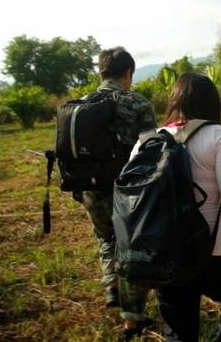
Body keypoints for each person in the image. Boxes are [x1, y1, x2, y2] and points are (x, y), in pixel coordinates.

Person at [130, 72, 221, 341]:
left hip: (164, 253)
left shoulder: (145, 142)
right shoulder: (218, 136)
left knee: (179, 331)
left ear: (174, 101)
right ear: (211, 103)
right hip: (213, 249)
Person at [80, 47, 155, 337]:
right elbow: (151, 150)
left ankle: (111, 282)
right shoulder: (137, 103)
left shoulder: (81, 104)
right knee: (131, 248)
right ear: (128, 73)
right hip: (126, 192)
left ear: (102, 72)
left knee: (105, 237)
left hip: (88, 189)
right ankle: (132, 318)